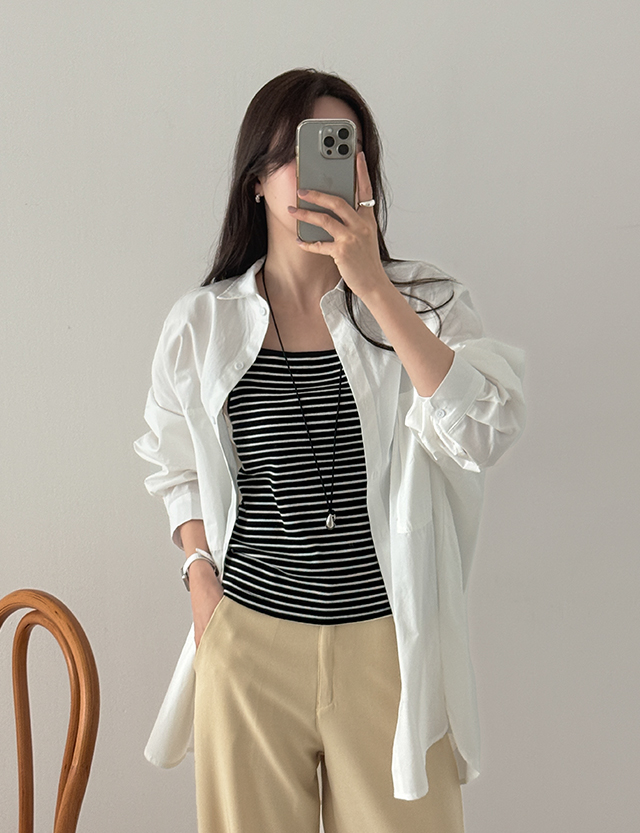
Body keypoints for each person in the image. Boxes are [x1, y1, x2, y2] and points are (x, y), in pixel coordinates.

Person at [133, 68, 526, 833]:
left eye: (335, 148)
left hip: (389, 647)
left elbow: (485, 431)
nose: (309, 172)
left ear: (364, 172)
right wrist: (199, 578)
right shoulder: (203, 324)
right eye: (290, 152)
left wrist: (373, 285)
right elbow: (172, 459)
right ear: (255, 179)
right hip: (249, 643)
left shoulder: (428, 302)